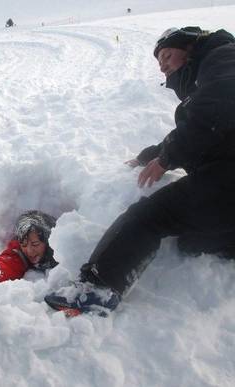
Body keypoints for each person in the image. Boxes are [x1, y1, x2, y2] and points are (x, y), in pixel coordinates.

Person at [46, 26, 235, 315]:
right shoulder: (212, 73)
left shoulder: (223, 56)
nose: (163, 67)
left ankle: (95, 289)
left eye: (167, 56)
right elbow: (197, 127)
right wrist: (150, 155)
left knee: (149, 217)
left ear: (188, 45)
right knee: (191, 242)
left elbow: (213, 111)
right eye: (160, 64)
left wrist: (167, 159)